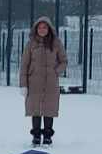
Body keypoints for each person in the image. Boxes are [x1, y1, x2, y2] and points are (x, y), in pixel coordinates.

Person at [19, 16, 67, 145]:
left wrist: (55, 71)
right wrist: (23, 85)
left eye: (44, 27)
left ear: (49, 29)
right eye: (39, 27)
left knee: (49, 109)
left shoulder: (56, 43)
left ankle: (47, 136)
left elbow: (63, 61)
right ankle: (35, 136)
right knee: (35, 109)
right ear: (36, 29)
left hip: (51, 82)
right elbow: (24, 65)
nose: (42, 30)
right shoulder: (30, 44)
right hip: (33, 82)